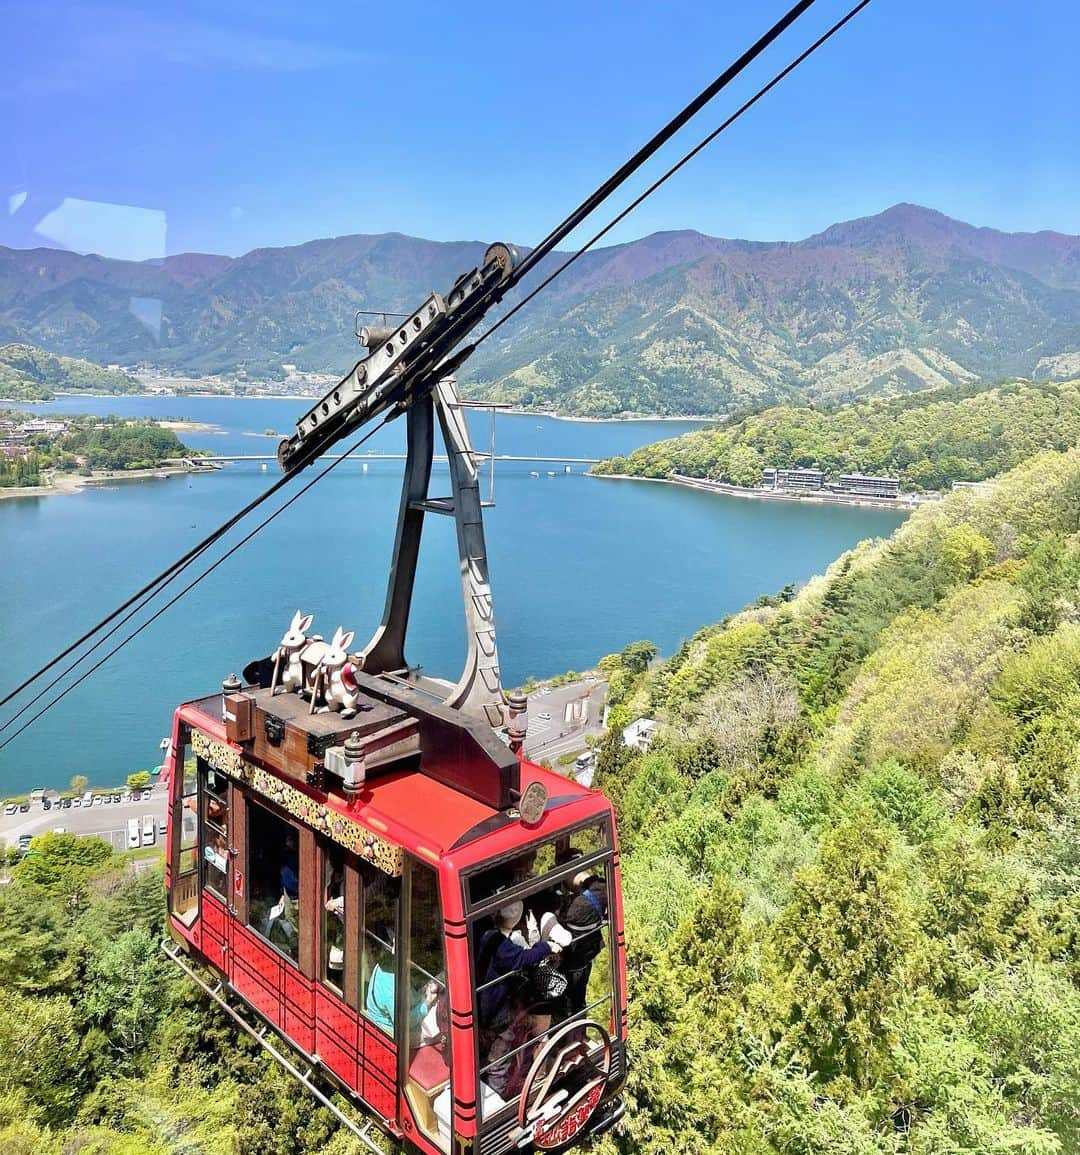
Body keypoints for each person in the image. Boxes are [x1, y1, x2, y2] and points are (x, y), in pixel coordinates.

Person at [477, 901, 561, 1032]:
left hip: (485, 996)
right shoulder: (503, 947)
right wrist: (547, 946)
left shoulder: (487, 934)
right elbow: (524, 958)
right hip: (493, 1004)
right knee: (537, 1014)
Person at [561, 871, 607, 1014]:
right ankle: (580, 1033)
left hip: (572, 961)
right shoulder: (603, 888)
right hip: (589, 954)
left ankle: (573, 1031)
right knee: (580, 1000)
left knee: (569, 1001)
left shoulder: (575, 907)